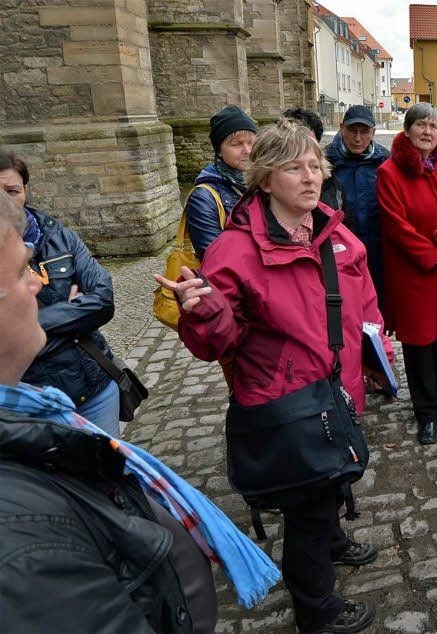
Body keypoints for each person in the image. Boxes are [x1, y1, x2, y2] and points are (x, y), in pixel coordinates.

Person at [0, 190, 280, 633]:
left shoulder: (38, 429)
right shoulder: (22, 520)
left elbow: (101, 298)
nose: (36, 283)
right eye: (19, 273)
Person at [155, 119, 384, 634]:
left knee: (334, 478)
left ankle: (335, 542)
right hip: (287, 404)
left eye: (314, 166)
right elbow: (211, 344)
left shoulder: (334, 229)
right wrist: (203, 311)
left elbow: (364, 298)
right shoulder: (235, 252)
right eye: (293, 168)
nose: (309, 177)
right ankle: (317, 610)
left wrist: (373, 351)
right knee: (306, 511)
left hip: (336, 392)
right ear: (264, 179)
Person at [0, 148, 120, 435]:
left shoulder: (58, 235)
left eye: (11, 191)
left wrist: (28, 323)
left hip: (94, 385)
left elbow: (103, 299)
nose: (6, 203)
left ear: (26, 190)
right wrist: (73, 315)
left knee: (108, 471)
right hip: (33, 395)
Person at [376, 103, 437, 446]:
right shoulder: (390, 172)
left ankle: (436, 388)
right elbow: (397, 228)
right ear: (407, 129)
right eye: (421, 125)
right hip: (416, 274)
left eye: (434, 125)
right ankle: (426, 413)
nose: (428, 132)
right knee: (419, 344)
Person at [321, 105, 390, 301]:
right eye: (352, 130)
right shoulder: (325, 160)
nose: (358, 138)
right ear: (341, 128)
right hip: (339, 247)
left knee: (377, 302)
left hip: (377, 246)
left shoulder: (385, 161)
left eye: (364, 131)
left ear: (373, 132)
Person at [186, 105, 257, 260]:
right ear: (219, 150)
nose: (247, 150)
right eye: (236, 144)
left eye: (251, 142)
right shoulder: (203, 198)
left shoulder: (265, 183)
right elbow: (216, 257)